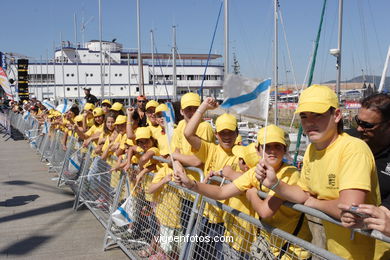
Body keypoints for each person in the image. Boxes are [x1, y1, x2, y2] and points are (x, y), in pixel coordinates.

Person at [256, 85, 380, 260]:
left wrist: (313, 203)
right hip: (335, 251)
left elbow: (351, 210)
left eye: (317, 115)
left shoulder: (353, 149)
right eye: (304, 116)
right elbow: (303, 192)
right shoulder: (311, 151)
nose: (309, 122)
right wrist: (274, 183)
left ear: (336, 115)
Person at [174, 125, 311, 259]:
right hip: (271, 246)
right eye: (267, 146)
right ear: (258, 150)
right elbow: (222, 192)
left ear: (285, 149)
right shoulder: (254, 172)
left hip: (294, 250)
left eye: (277, 146)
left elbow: (265, 211)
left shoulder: (289, 173)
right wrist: (192, 184)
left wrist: (251, 194)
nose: (272, 151)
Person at [341, 93, 390, 259]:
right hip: (345, 239)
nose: (360, 128)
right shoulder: (347, 138)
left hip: (382, 242)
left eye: (367, 125)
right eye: (358, 121)